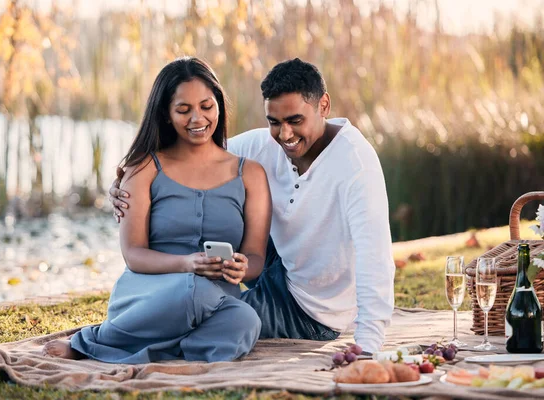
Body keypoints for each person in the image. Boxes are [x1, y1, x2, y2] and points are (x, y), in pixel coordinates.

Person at [110, 58, 395, 353]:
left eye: (295, 120)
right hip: (276, 266)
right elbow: (197, 158)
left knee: (215, 316)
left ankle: (111, 337)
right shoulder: (265, 144)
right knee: (202, 279)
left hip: (307, 308)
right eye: (274, 122)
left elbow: (375, 257)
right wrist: (124, 182)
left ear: (323, 105)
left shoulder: (356, 165)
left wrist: (368, 347)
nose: (285, 135)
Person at [43, 57, 271, 363]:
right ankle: (93, 339)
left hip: (216, 300)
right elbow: (133, 254)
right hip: (149, 295)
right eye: (183, 110)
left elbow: (256, 256)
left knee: (246, 321)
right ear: (165, 114)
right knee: (193, 290)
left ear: (219, 104)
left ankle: (164, 349)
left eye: (206, 106)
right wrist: (187, 263)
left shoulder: (251, 174)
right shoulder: (145, 168)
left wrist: (243, 268)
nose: (197, 118)